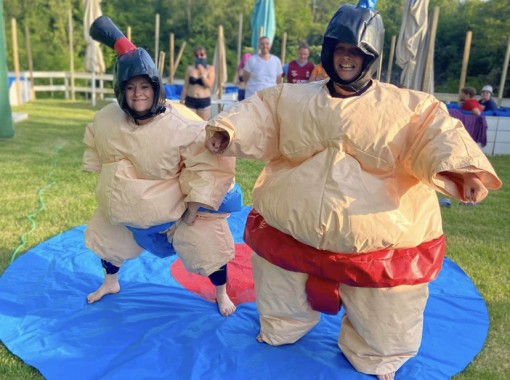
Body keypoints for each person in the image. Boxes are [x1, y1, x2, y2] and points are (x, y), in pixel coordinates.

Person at [205, 4, 501, 379]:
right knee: (282, 300)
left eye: (356, 52)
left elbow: (438, 134)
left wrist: (464, 170)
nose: (347, 58)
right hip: (290, 233)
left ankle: (378, 355)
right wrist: (226, 130)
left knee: (384, 319)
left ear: (371, 57)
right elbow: (257, 115)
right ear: (329, 52)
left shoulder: (407, 107)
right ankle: (282, 325)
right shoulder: (290, 98)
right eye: (340, 49)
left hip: (378, 246)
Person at [84, 16, 238, 316]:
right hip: (125, 213)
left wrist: (196, 203)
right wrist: (97, 169)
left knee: (209, 247)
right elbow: (94, 140)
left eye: (144, 86)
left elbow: (208, 163)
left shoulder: (182, 123)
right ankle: (110, 282)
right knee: (107, 237)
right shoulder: (108, 118)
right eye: (130, 87)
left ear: (156, 87)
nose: (138, 93)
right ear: (121, 91)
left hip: (175, 216)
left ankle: (221, 293)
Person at [180, 46, 215, 120]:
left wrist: (203, 74)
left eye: (201, 54)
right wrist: (181, 100)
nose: (199, 57)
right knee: (190, 124)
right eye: (196, 55)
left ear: (205, 55)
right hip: (190, 100)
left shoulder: (210, 69)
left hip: (204, 101)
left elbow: (209, 85)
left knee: (202, 125)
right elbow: (186, 86)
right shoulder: (190, 68)